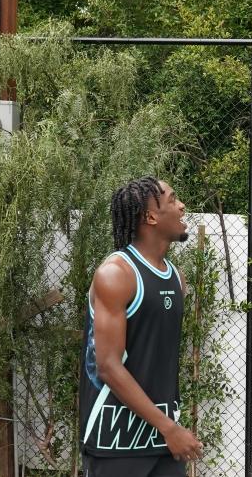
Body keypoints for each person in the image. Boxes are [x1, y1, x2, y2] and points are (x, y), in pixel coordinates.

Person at [80, 176, 203, 476]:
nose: (182, 207)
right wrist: (169, 428)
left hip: (162, 440)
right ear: (150, 216)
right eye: (173, 200)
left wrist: (169, 428)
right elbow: (107, 366)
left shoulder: (176, 278)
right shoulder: (116, 274)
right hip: (116, 443)